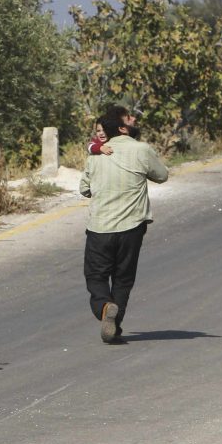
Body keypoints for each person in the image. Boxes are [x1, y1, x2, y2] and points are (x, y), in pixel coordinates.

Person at [79, 112, 168, 343]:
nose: (135, 120)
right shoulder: (142, 150)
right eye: (129, 118)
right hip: (132, 227)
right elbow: (162, 175)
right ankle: (114, 324)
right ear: (121, 128)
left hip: (99, 227)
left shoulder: (95, 155)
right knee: (123, 278)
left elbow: (84, 189)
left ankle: (105, 306)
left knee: (96, 276)